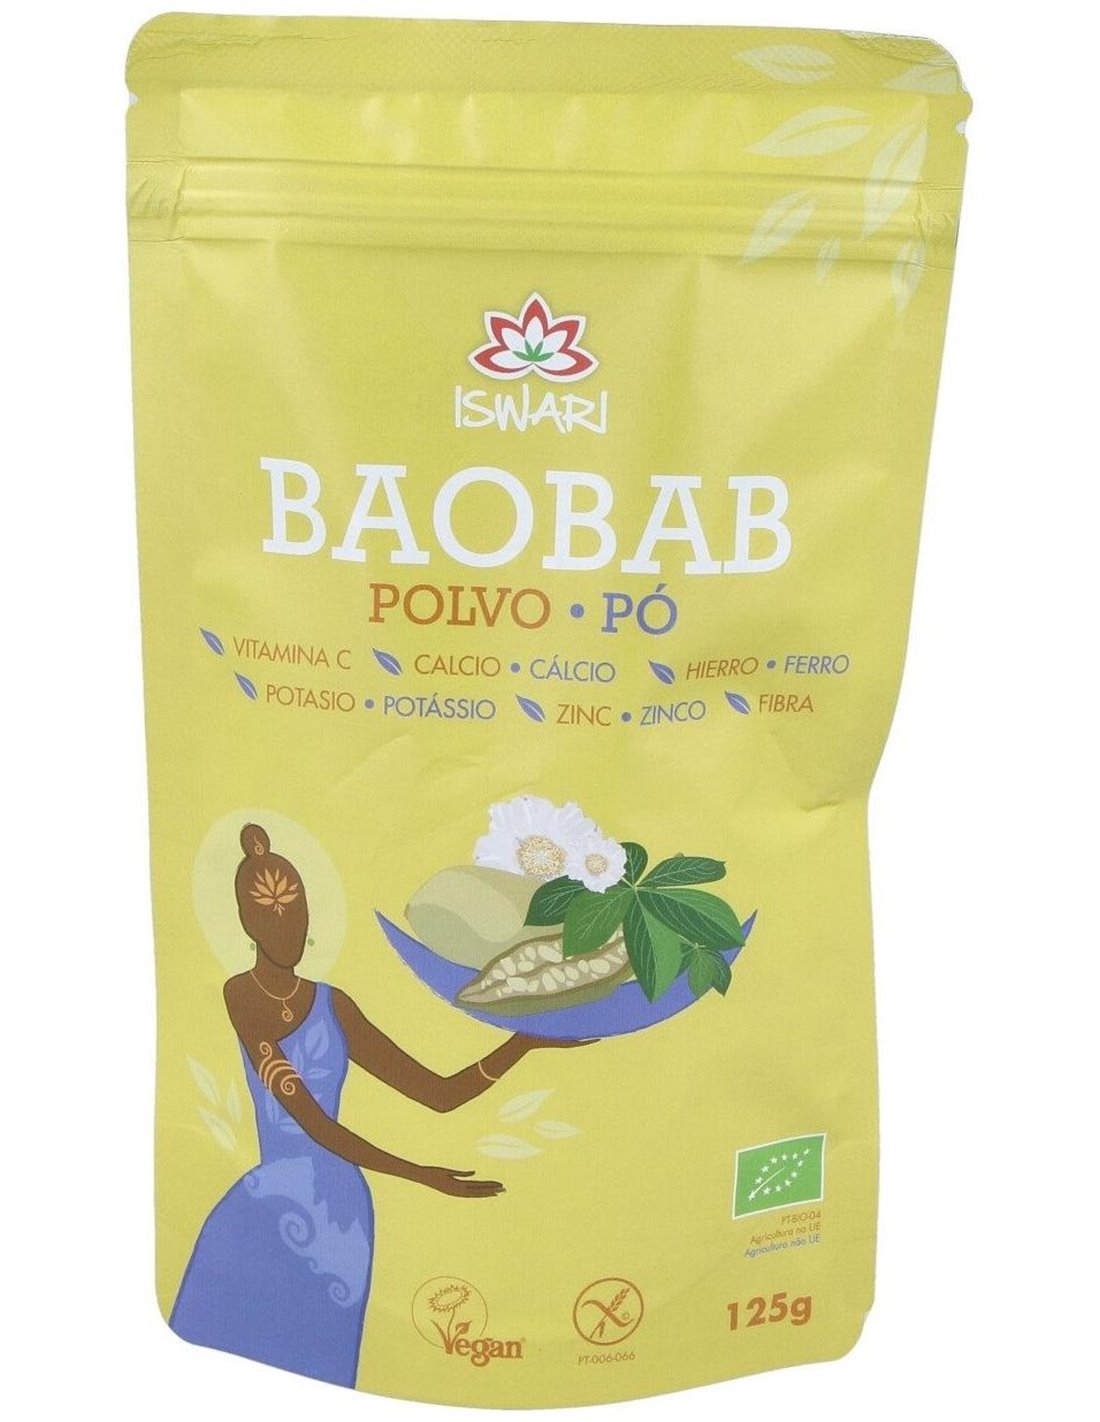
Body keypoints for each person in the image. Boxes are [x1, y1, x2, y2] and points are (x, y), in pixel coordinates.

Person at [170, 823, 586, 1386]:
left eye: (297, 913)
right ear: (248, 923)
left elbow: (438, 1094)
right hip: (269, 1203)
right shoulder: (241, 996)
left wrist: (522, 1043)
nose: (288, 927)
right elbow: (313, 1123)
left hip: (341, 1216)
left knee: (323, 1364)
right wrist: (421, 1174)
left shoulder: (334, 1005)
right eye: (271, 917)